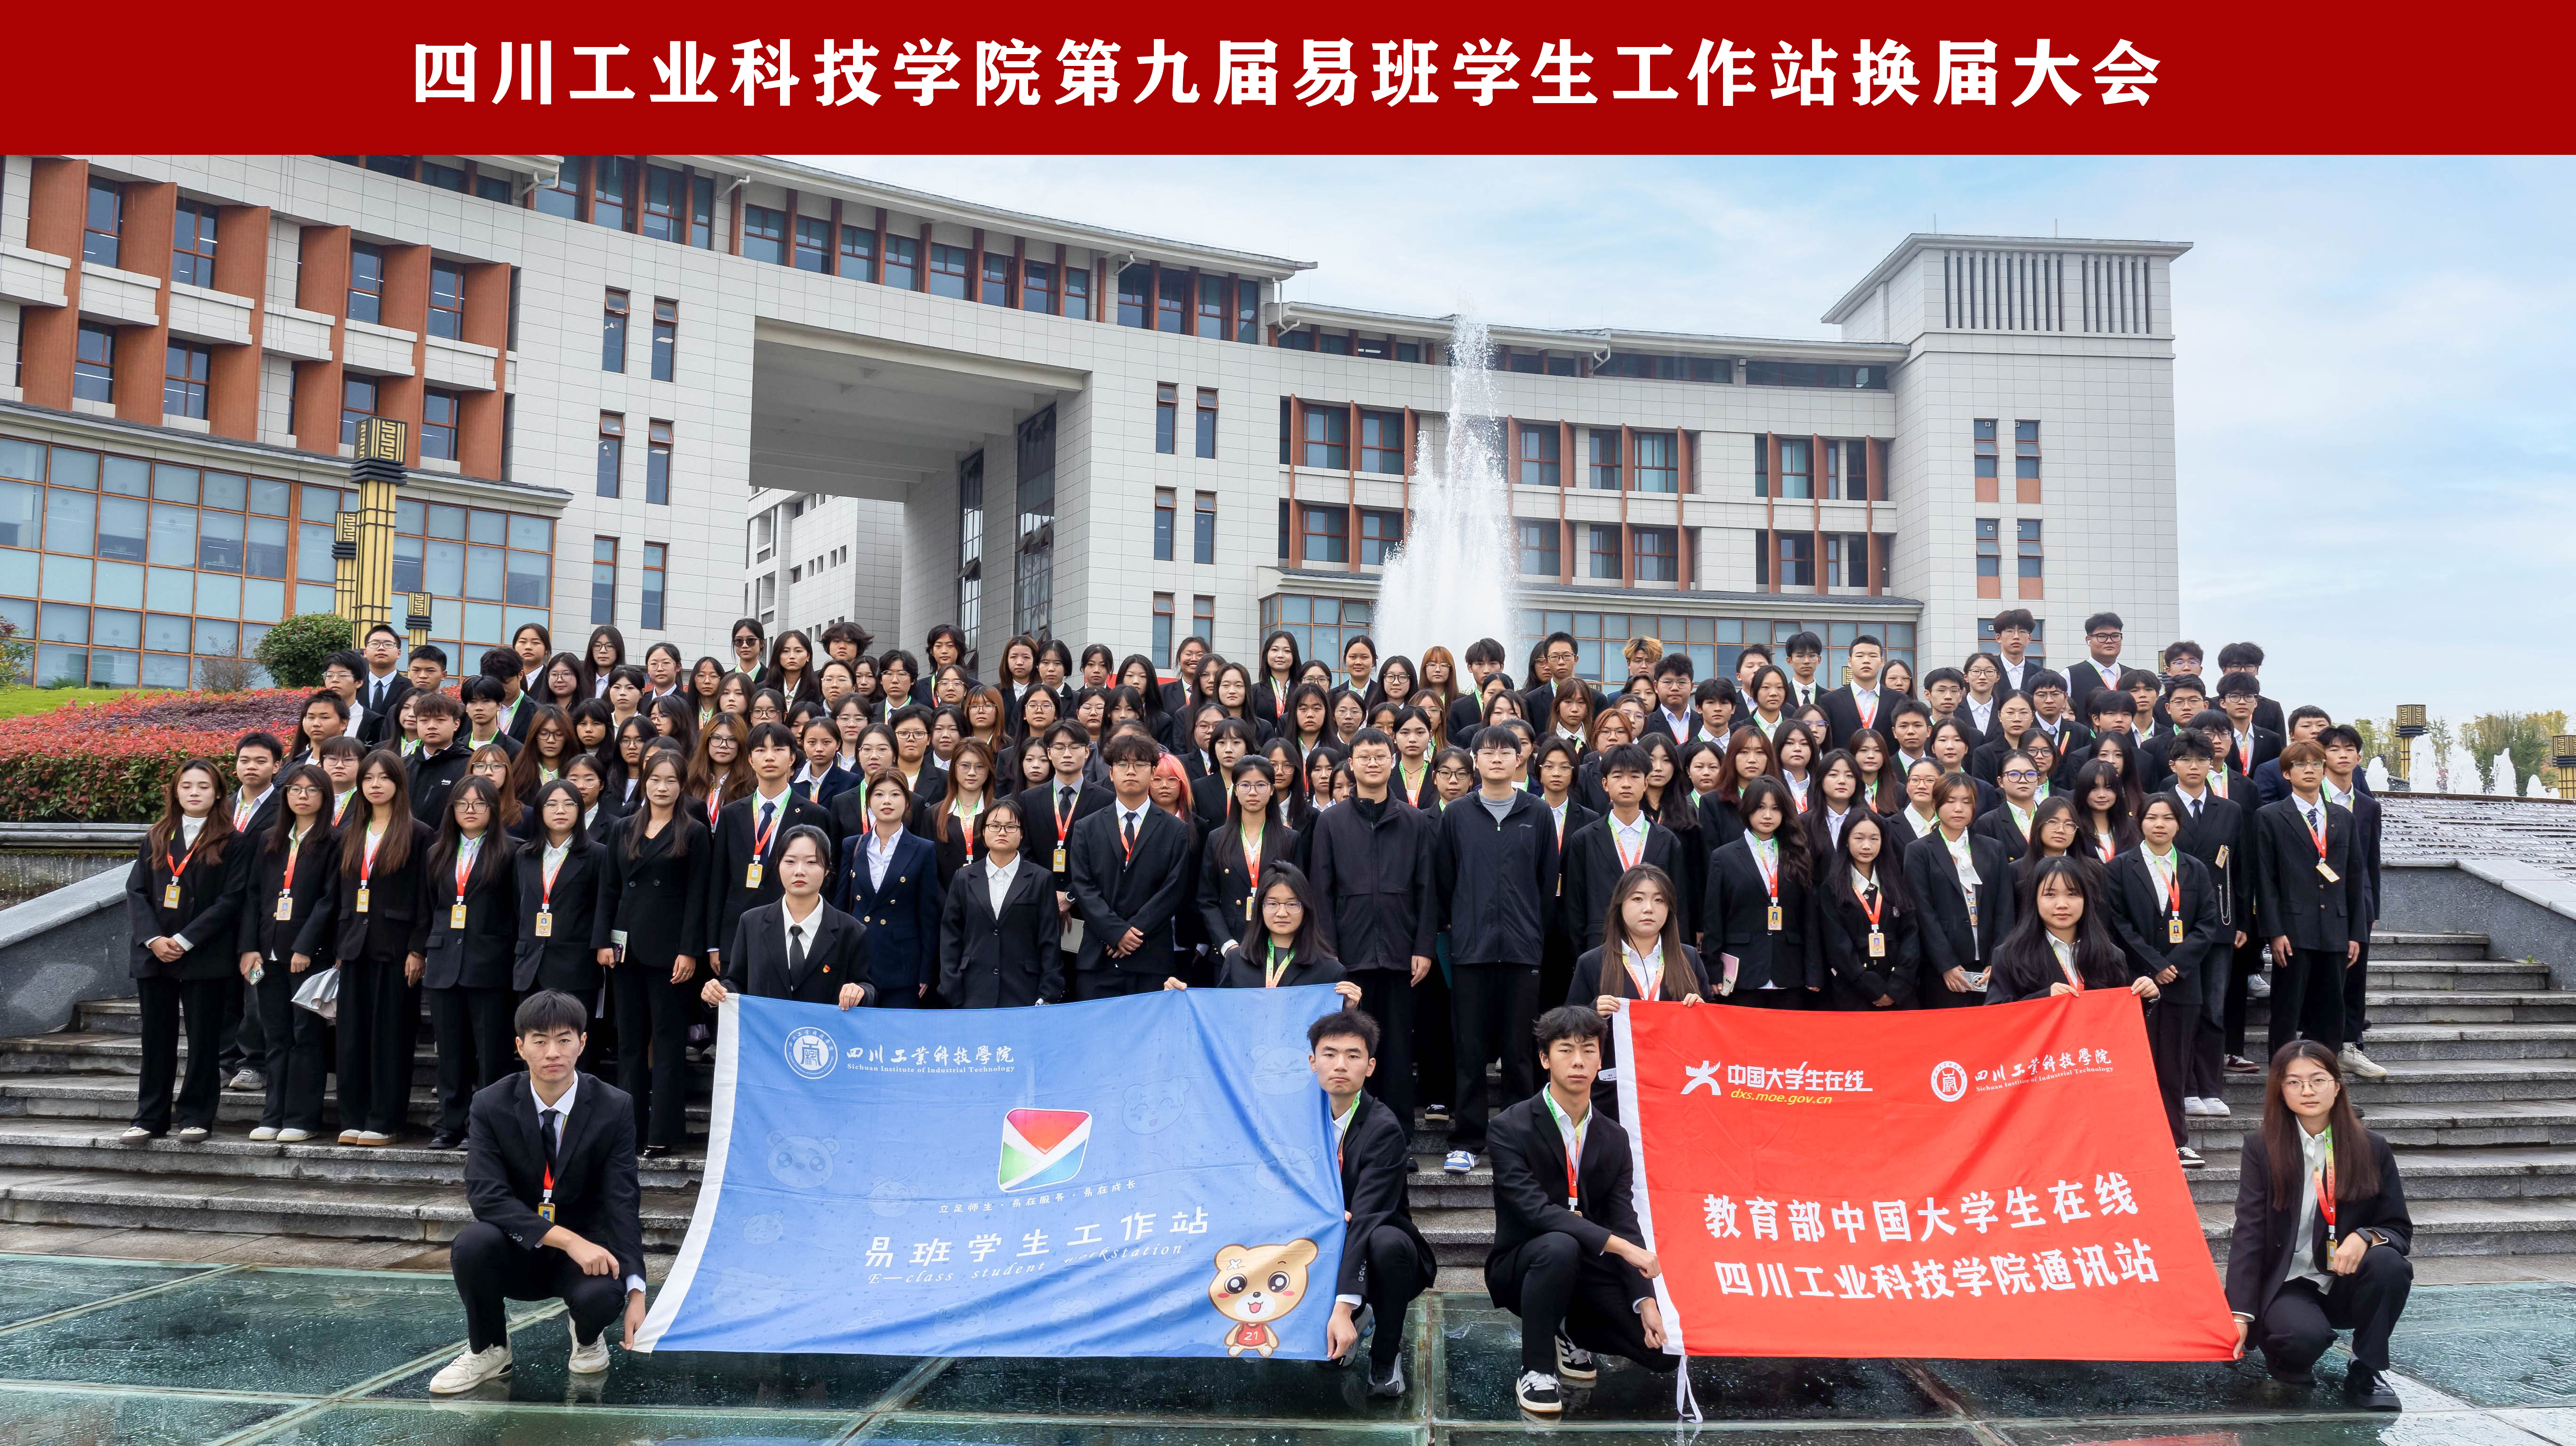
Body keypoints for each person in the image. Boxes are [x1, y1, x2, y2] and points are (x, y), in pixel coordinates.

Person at [431, 990, 648, 1394]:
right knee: (473, 1243)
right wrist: (566, 1240)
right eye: (540, 1041)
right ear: (520, 1046)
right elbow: (487, 1196)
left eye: (564, 1040)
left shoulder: (614, 1106)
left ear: (582, 1043)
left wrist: (637, 1289)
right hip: (518, 1248)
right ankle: (490, 1348)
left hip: (585, 1257)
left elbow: (622, 1198)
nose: (553, 1053)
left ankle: (587, 1337)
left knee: (605, 1295)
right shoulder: (490, 1104)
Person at [1483, 1005, 1671, 1418]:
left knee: (1663, 1353)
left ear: (1601, 1060)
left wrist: (1646, 1300)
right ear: (1544, 1059)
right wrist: (1622, 1247)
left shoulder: (1614, 1137)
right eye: (1566, 1050)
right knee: (1559, 1245)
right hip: (1524, 1263)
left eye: (1589, 1050)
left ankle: (1568, 1327)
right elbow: (1535, 1211)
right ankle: (1536, 1370)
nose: (1579, 1061)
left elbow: (1624, 1218)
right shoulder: (1510, 1127)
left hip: (1589, 1266)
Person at [2226, 1042, 2412, 1411]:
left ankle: (2367, 1368)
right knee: (2300, 1341)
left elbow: (2398, 1227)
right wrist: (2239, 1313)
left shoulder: (2372, 1147)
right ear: (2281, 1090)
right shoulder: (2262, 1147)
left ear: (2337, 1086)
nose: (2307, 1091)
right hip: (2289, 1284)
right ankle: (2290, 1355)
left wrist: (2366, 1237)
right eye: (2294, 1082)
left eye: (2317, 1080)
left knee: (2390, 1264)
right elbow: (2249, 1231)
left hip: (2345, 1280)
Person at [1434, 723, 1560, 1175]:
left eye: (1505, 752)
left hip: (1523, 951)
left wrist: (1531, 930)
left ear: (1519, 759)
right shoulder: (1458, 814)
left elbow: (1547, 883)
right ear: (1476, 761)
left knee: (1520, 1051)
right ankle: (1468, 1139)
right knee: (1469, 1049)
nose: (1497, 759)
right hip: (1472, 950)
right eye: (1487, 752)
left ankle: (1518, 1140)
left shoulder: (1537, 813)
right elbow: (1446, 879)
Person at [1308, 724, 1439, 1152]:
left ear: (1393, 762)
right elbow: (1321, 892)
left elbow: (1427, 890)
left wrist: (1423, 947)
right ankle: (1352, 1142)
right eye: (1364, 757)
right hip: (1350, 958)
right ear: (1351, 764)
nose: (1372, 763)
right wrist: (1330, 957)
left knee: (1397, 1052)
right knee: (1350, 1051)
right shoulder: (1330, 822)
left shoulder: (1415, 821)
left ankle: (1399, 1143)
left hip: (1402, 956)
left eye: (1380, 757)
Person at [295, 748, 435, 1147]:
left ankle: (385, 1120)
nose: (375, 785)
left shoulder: (419, 834)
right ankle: (353, 1117)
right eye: (369, 778)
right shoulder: (349, 833)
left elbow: (426, 898)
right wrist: (337, 945)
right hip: (353, 947)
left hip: (396, 950)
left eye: (384, 778)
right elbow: (338, 895)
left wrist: (418, 949)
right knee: (351, 1038)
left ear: (399, 784)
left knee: (390, 1036)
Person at [1296, 1008, 1431, 1399]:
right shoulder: (1296, 1120)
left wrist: (1342, 1308)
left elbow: (1368, 1217)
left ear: (1370, 1067)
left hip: (1376, 1242)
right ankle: (1354, 1315)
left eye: (1353, 1055)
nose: (1340, 1065)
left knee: (1386, 1243)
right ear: (1313, 1062)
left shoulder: (1384, 1128)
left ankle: (1385, 1356)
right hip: (1320, 1237)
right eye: (1330, 1054)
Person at [594, 750, 709, 1157]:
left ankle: (663, 1132)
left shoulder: (694, 832)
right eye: (655, 779)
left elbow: (698, 896)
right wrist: (602, 941)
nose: (662, 787)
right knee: (629, 1044)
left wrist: (689, 951)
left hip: (671, 953)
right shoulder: (623, 827)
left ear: (682, 787)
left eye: (671, 781)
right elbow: (609, 888)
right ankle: (630, 1131)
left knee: (668, 1042)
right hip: (625, 951)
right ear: (644, 783)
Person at [123, 758, 244, 1143]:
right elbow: (136, 891)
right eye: (187, 786)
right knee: (155, 1040)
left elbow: (232, 899)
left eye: (204, 786)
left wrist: (186, 939)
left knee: (204, 1040)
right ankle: (149, 1117)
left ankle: (196, 1115)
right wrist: (154, 939)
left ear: (219, 793)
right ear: (175, 792)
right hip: (155, 953)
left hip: (204, 953)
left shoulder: (234, 840)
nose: (195, 793)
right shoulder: (157, 835)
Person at [2109, 793, 2227, 1165]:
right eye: (2152, 818)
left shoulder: (2195, 869)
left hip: (2182, 984)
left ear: (2179, 824)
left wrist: (2174, 965)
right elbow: (2117, 923)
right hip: (2135, 982)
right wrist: (2155, 964)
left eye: (2167, 818)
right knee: (2135, 1066)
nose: (2159, 824)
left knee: (2175, 1068)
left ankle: (2175, 1141)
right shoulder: (2120, 867)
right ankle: (2131, 1142)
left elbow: (2207, 924)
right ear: (2140, 822)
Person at [234, 762, 335, 1140]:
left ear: (324, 797)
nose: (302, 797)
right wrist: (249, 948)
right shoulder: (269, 839)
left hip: (308, 956)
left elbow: (329, 901)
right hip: (267, 955)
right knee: (275, 1035)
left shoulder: (334, 841)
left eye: (311, 790)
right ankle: (272, 1114)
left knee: (306, 1036)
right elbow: (252, 897)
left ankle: (301, 1118)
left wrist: (306, 946)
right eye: (295, 789)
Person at [421, 777, 522, 1150]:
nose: (470, 810)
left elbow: (516, 909)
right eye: (462, 803)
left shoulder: (512, 852)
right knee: (450, 1051)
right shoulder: (437, 852)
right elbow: (432, 906)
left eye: (479, 804)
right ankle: (450, 1124)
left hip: (490, 963)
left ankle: (487, 1127)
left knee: (492, 1053)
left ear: (493, 809)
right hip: (444, 961)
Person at [2254, 740, 2369, 1062]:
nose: (2310, 770)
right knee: (2287, 1009)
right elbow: (2265, 879)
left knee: (2331, 1009)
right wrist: (2274, 932)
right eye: (2301, 764)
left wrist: (2356, 933)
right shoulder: (2270, 816)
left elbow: (2355, 878)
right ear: (2286, 773)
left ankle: (2325, 1076)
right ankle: (2282, 1076)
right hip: (2293, 929)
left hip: (2335, 928)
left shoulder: (2342, 817)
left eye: (2316, 764)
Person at [1567, 865, 1707, 1116]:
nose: (1649, 909)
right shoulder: (1592, 962)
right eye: (1638, 899)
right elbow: (1568, 1027)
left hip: (1678, 1088)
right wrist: (1593, 1012)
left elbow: (1713, 1027)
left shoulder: (1689, 958)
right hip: (1613, 1093)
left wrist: (1702, 1011)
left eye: (1659, 900)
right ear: (1620, 905)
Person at [705, 722, 833, 984]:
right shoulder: (731, 814)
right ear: (750, 760)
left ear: (793, 758)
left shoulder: (814, 814)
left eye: (778, 749)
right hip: (736, 934)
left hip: (793, 933)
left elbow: (823, 879)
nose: (770, 757)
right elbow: (718, 879)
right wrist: (714, 943)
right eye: (761, 750)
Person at [701, 826, 871, 1009]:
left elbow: (867, 987)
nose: (800, 871)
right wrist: (718, 992)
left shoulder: (850, 930)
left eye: (811, 862)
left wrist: (860, 991)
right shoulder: (751, 923)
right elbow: (736, 983)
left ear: (827, 869)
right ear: (778, 865)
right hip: (766, 1027)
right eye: (790, 861)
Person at [1984, 854, 2160, 1006]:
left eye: (2072, 894)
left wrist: (2146, 996)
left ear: (2086, 900)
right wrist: (2043, 999)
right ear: (2034, 900)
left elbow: (2120, 1015)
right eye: (2050, 895)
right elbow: (1997, 1016)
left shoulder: (2110, 955)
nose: (2062, 904)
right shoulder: (2009, 956)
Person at [1560, 746, 1684, 954]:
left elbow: (1678, 904)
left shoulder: (1667, 840)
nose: (1626, 784)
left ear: (1646, 783)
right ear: (1605, 784)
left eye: (1634, 776)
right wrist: (1581, 956)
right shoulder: (1584, 840)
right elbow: (1575, 906)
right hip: (1600, 945)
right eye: (1618, 776)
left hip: (1655, 947)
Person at [1702, 777, 1816, 1006]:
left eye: (1775, 808)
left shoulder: (1798, 854)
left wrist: (1814, 971)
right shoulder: (1724, 857)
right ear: (1747, 809)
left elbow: (1809, 918)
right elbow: (1714, 917)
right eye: (1761, 807)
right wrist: (1712, 969)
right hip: (1743, 972)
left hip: (1790, 971)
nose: (1768, 815)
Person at [1906, 772, 2013, 1008]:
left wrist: (1998, 959)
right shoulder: (1919, 851)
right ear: (1936, 804)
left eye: (1966, 802)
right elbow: (1923, 912)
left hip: (1989, 965)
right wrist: (1946, 964)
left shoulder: (1993, 848)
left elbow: (2005, 908)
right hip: (1942, 967)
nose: (1959, 809)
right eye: (1951, 801)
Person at [839, 771, 944, 1007]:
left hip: (903, 964)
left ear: (907, 802)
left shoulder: (923, 849)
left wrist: (927, 970)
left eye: (895, 795)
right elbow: (842, 906)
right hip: (859, 961)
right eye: (879, 795)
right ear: (869, 802)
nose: (887, 801)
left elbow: (928, 914)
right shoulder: (853, 845)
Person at [2318, 726, 2388, 1079]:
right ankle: (2317, 1048)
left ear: (2359, 758)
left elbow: (2371, 861)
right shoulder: (2308, 799)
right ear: (2322, 756)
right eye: (2334, 749)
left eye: (2349, 749)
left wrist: (2371, 908)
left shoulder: (2369, 805)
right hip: (2315, 902)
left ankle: (2351, 1045)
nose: (2343, 755)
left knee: (2355, 975)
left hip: (2355, 903)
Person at [1814, 811, 1917, 1011]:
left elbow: (1911, 934)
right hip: (1853, 991)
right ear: (1846, 841)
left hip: (1899, 990)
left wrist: (1898, 983)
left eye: (1874, 839)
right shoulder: (1832, 887)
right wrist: (1872, 987)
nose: (1867, 846)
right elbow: (1837, 945)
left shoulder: (1896, 881)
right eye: (1859, 838)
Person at [408, 691, 473, 825]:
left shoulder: (469, 763)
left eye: (440, 720)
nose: (431, 726)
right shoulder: (405, 765)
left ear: (456, 724)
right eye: (424, 721)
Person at [1819, 633, 1889, 749]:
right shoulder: (1830, 701)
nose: (1866, 661)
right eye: (1860, 656)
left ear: (1882, 662)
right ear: (1850, 662)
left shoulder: (1897, 700)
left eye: (1873, 656)